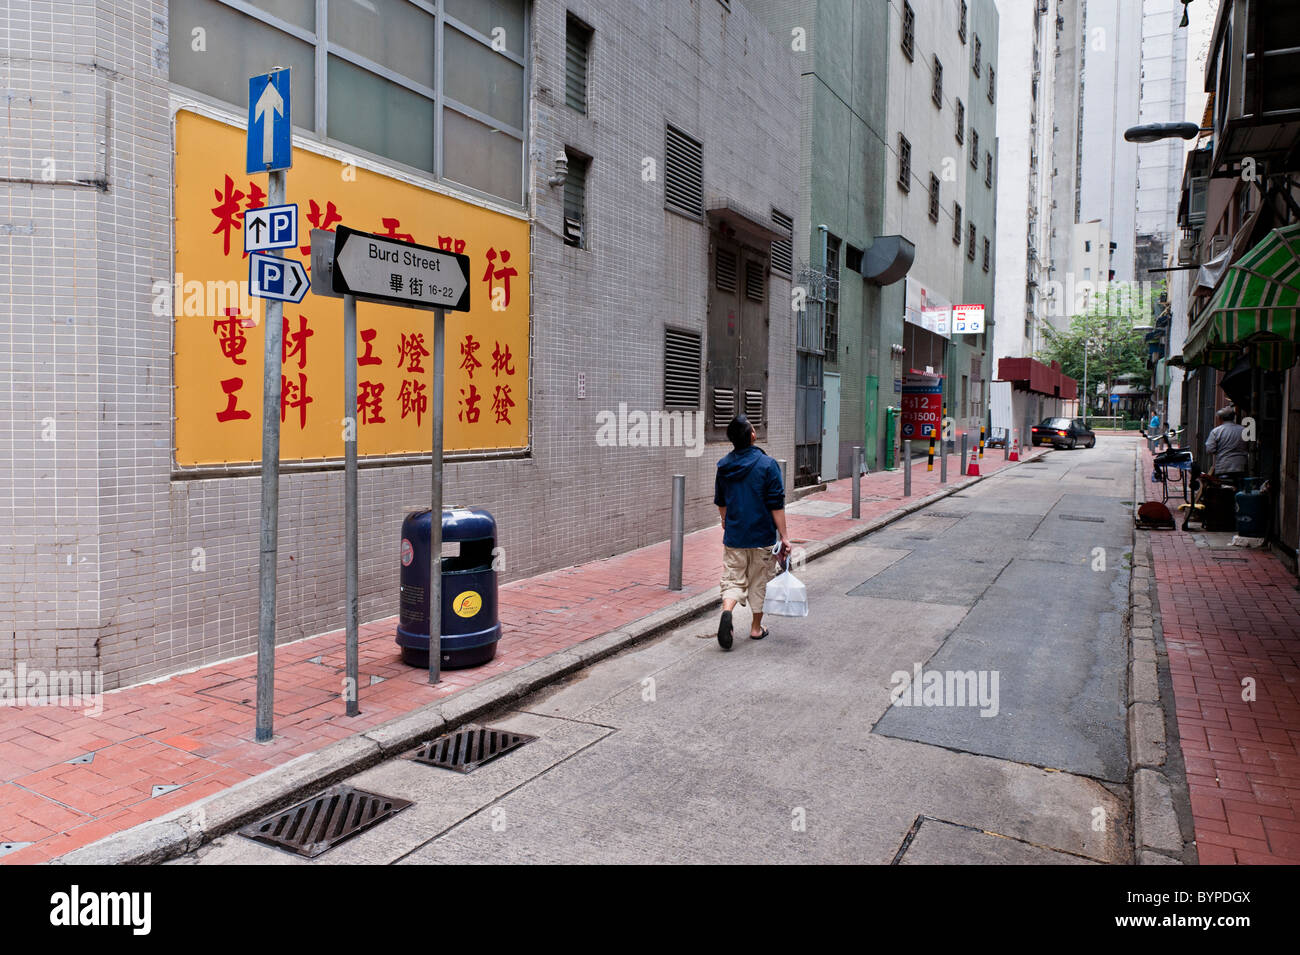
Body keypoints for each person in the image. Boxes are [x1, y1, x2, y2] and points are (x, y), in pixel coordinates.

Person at [714, 414, 790, 650]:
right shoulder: (768, 465)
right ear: (753, 436)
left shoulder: (724, 465)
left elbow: (721, 500)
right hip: (762, 536)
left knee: (733, 579)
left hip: (736, 535)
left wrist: (725, 521)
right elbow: (776, 504)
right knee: (758, 581)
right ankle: (756, 629)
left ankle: (728, 610)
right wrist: (785, 536)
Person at [1204, 405, 1248, 486]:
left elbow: (1209, 449)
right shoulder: (1243, 430)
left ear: (1220, 418)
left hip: (1223, 467)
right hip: (1241, 466)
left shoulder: (1216, 431)